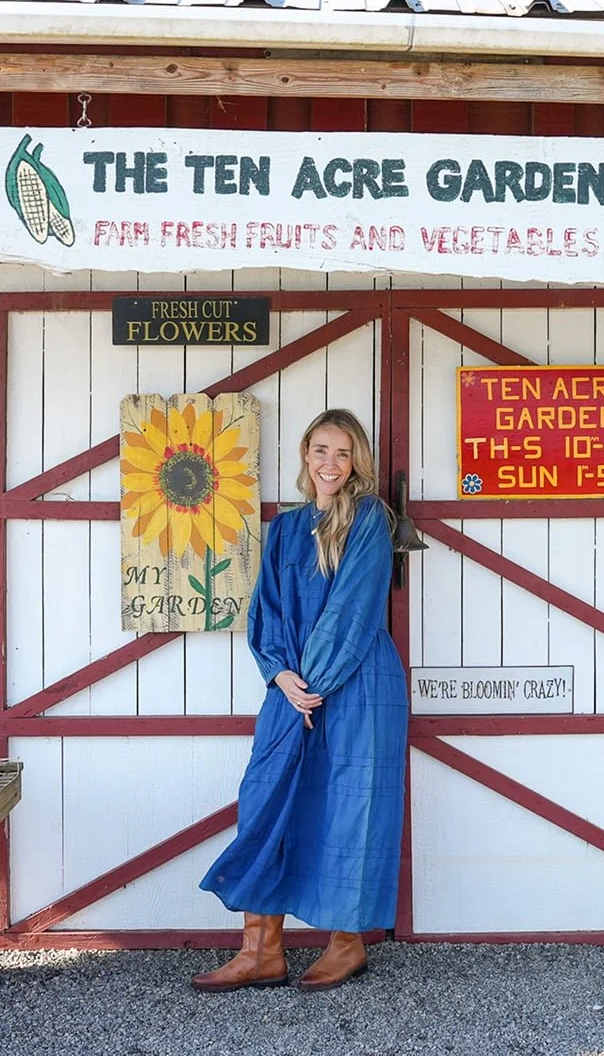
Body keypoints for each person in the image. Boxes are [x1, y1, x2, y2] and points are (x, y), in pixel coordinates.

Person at [192, 408, 408, 994]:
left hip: (357, 683)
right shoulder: (285, 528)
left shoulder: (368, 519)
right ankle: (261, 951)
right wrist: (281, 675)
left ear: (356, 459)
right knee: (267, 799)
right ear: (305, 456)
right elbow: (265, 611)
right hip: (294, 689)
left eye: (342, 452)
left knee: (348, 805)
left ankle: (347, 944)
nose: (330, 463)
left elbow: (354, 611)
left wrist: (312, 680)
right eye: (320, 451)